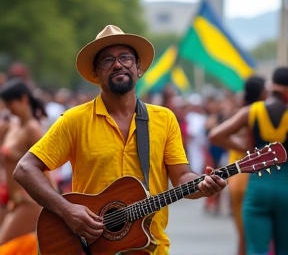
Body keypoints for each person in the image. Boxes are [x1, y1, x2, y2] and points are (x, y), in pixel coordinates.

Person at [13, 25, 227, 255]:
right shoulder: (75, 120)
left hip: (151, 248)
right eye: (107, 60)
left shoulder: (164, 119)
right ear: (95, 74)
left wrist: (202, 185)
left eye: (125, 57)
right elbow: (25, 169)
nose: (118, 64)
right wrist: (67, 210)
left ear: (139, 68)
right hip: (89, 248)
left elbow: (182, 176)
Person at [209, 67, 288, 255]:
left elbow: (215, 135)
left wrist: (250, 152)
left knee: (255, 249)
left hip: (257, 187)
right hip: (286, 188)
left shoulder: (253, 111)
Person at [0, 78, 51, 254]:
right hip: (11, 200)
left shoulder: (33, 129)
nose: (7, 108)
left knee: (4, 248)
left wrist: (55, 202)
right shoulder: (11, 127)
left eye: (9, 103)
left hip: (28, 201)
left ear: (23, 99)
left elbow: (47, 168)